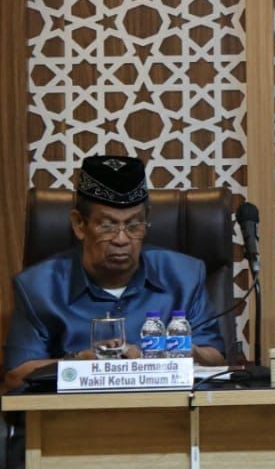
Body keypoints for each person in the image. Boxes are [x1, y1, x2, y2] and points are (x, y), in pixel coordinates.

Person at [3, 155, 226, 389]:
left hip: (168, 408)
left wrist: (180, 353)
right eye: (107, 225)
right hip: (77, 410)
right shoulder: (38, 287)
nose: (121, 239)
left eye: (133, 225)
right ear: (79, 224)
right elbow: (16, 376)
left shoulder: (184, 276)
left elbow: (217, 359)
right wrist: (79, 363)